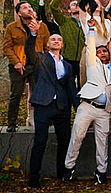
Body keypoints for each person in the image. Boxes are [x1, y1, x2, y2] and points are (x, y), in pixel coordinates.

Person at [64, 19, 111, 184]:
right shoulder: (92, 64)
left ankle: (101, 171)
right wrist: (91, 29)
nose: (103, 53)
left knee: (102, 141)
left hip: (104, 111)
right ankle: (68, 169)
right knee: (77, 136)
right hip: (87, 106)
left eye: (105, 51)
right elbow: (90, 48)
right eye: (100, 52)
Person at [22, 24, 74, 188]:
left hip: (62, 106)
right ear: (48, 44)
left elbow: (71, 88)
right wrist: (33, 34)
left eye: (59, 40)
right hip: (44, 105)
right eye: (53, 39)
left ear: (62, 44)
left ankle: (62, 174)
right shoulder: (40, 58)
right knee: (40, 141)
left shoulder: (68, 66)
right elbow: (29, 51)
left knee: (64, 141)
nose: (56, 41)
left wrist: (77, 108)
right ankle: (34, 178)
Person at [4, 0, 49, 131]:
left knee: (39, 95)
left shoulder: (42, 26)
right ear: (18, 13)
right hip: (18, 65)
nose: (29, 9)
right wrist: (16, 62)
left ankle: (42, 122)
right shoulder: (11, 27)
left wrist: (45, 63)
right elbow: (7, 48)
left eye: (30, 6)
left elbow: (46, 47)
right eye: (24, 7)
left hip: (36, 66)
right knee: (16, 95)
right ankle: (11, 123)